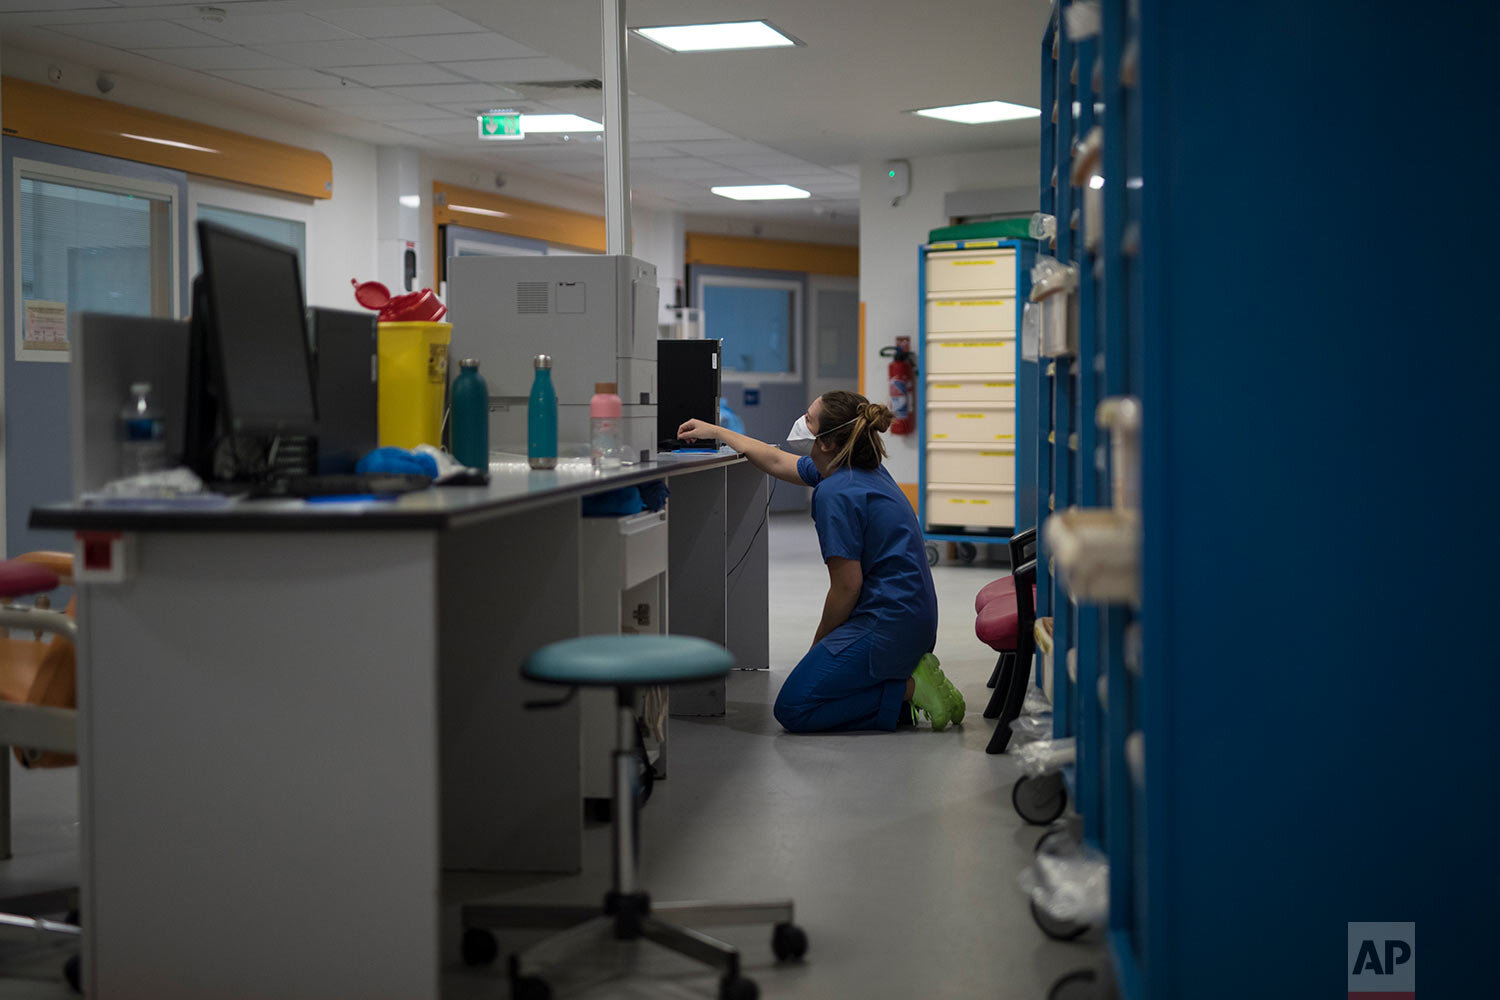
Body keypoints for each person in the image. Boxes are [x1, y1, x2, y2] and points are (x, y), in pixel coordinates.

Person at [678, 390, 964, 732]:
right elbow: (775, 460)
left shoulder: (837, 493)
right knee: (819, 688)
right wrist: (718, 432)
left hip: (888, 624)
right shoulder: (856, 470)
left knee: (795, 708)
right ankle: (900, 697)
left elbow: (846, 587)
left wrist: (819, 646)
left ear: (827, 443)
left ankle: (912, 688)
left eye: (809, 419)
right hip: (910, 618)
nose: (801, 422)